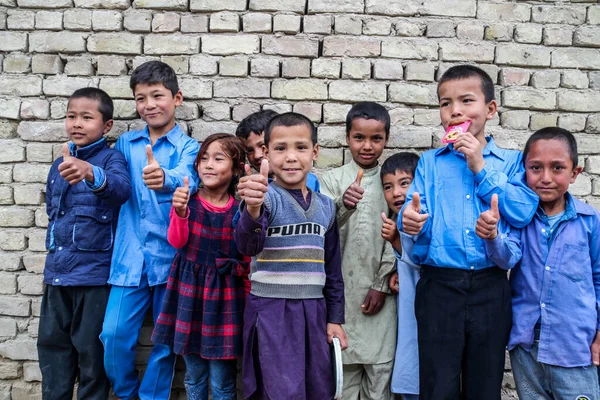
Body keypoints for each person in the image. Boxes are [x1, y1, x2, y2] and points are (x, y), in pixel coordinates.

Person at [399, 64, 539, 399]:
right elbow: (415, 232)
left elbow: (521, 212)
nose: (455, 111)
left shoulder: (510, 162)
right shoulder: (430, 163)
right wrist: (412, 224)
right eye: (445, 103)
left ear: (490, 109)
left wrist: (480, 166)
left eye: (466, 101)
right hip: (438, 287)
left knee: (484, 385)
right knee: (437, 386)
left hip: (490, 288)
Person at [100, 60, 200, 400]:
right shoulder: (127, 144)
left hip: (171, 259)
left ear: (177, 98)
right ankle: (127, 393)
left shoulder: (190, 149)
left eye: (157, 95)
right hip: (128, 259)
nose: (149, 105)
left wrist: (165, 179)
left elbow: (190, 178)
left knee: (165, 342)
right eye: (141, 98)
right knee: (112, 336)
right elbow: (113, 178)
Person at [476, 127, 600, 399]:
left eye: (557, 168)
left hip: (575, 346)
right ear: (523, 171)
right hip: (526, 345)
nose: (546, 178)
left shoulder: (590, 221)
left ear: (575, 173)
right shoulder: (520, 220)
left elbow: (599, 279)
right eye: (536, 168)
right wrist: (493, 235)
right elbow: (506, 258)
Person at [234, 112, 348, 399]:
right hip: (272, 310)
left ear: (315, 152)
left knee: (317, 386)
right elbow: (247, 245)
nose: (291, 157)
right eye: (280, 149)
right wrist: (253, 209)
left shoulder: (326, 208)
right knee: (279, 389)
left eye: (300, 147)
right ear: (267, 155)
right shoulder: (265, 198)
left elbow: (333, 270)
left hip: (314, 310)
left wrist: (335, 319)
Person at [38, 87, 131, 400]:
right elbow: (56, 218)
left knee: (92, 356)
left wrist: (91, 173)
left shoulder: (112, 159)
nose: (76, 123)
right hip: (57, 277)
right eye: (71, 116)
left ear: (106, 126)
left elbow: (120, 190)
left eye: (86, 117)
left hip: (94, 278)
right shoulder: (58, 165)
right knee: (52, 350)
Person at [152, 133, 249, 400]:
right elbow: (177, 241)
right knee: (194, 373)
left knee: (222, 377)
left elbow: (248, 250)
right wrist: (180, 213)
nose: (208, 164)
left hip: (225, 299)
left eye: (218, 159)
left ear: (237, 168)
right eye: (203, 158)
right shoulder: (187, 201)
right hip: (189, 295)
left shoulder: (241, 210)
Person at [321, 102, 396, 400]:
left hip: (382, 298)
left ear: (386, 140)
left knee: (380, 379)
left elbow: (397, 235)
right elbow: (320, 234)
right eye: (359, 138)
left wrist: (381, 286)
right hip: (341, 300)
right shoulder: (332, 181)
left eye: (376, 138)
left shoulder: (392, 182)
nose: (367, 146)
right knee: (342, 382)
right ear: (347, 137)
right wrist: (343, 206)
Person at [379, 152, 421, 400]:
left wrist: (395, 239)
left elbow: (422, 261)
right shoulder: (397, 221)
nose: (396, 193)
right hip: (408, 318)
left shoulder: (424, 219)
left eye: (404, 183)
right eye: (388, 186)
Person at [235, 109, 320, 192]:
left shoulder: (310, 181)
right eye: (250, 150)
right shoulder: (255, 190)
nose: (257, 155)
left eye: (262, 145)